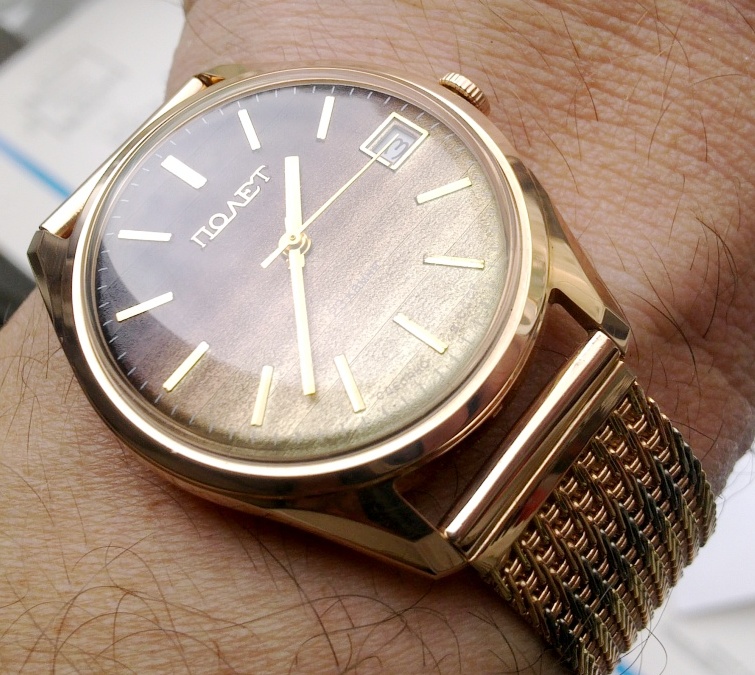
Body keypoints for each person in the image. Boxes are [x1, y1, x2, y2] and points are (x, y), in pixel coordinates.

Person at [1, 0, 752, 671]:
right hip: (428, 493)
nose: (290, 243)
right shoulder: (418, 528)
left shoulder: (271, 107)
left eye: (289, 236)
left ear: (458, 100)